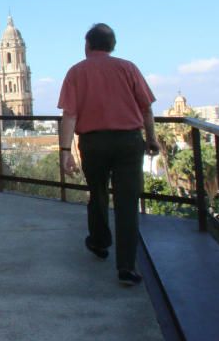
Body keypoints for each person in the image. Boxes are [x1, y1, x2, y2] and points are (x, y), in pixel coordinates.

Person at [57, 23, 160, 286]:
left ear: (87, 45)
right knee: (127, 203)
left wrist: (65, 151)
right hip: (128, 142)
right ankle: (126, 266)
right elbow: (146, 108)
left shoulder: (76, 72)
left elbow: (70, 114)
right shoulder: (128, 68)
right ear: (112, 45)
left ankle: (100, 242)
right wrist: (151, 139)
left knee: (98, 193)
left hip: (93, 143)